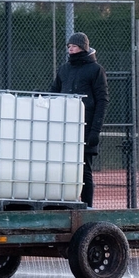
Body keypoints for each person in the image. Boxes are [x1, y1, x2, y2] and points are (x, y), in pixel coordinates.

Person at [50, 32, 108, 207]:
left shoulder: (96, 70)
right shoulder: (64, 69)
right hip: (64, 129)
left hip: (85, 128)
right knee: (63, 169)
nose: (71, 49)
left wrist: (95, 130)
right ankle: (64, 204)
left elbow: (102, 100)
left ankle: (87, 206)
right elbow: (53, 94)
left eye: (74, 46)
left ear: (83, 47)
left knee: (84, 171)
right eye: (69, 47)